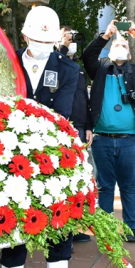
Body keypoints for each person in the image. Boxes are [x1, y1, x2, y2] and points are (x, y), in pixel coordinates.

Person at [0, 6, 80, 268]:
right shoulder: (5, 61)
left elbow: (62, 114)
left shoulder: (68, 70)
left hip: (53, 157)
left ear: (56, 39)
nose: (42, 45)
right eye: (36, 38)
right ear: (24, 35)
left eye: (48, 39)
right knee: (12, 226)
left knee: (59, 227)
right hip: (10, 158)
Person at [82, 20, 135, 243]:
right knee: (104, 186)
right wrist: (106, 35)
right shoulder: (101, 69)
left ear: (130, 54)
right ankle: (105, 228)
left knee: (128, 186)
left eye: (124, 45)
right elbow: (87, 56)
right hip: (101, 138)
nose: (120, 46)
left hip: (130, 140)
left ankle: (129, 227)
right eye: (116, 44)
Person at [58, 25, 92, 243]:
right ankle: (61, 229)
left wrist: (89, 125)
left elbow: (84, 98)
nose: (72, 41)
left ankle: (72, 227)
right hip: (61, 126)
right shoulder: (55, 61)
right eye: (68, 36)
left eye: (73, 36)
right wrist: (61, 46)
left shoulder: (77, 68)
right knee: (61, 179)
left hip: (79, 126)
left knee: (77, 179)